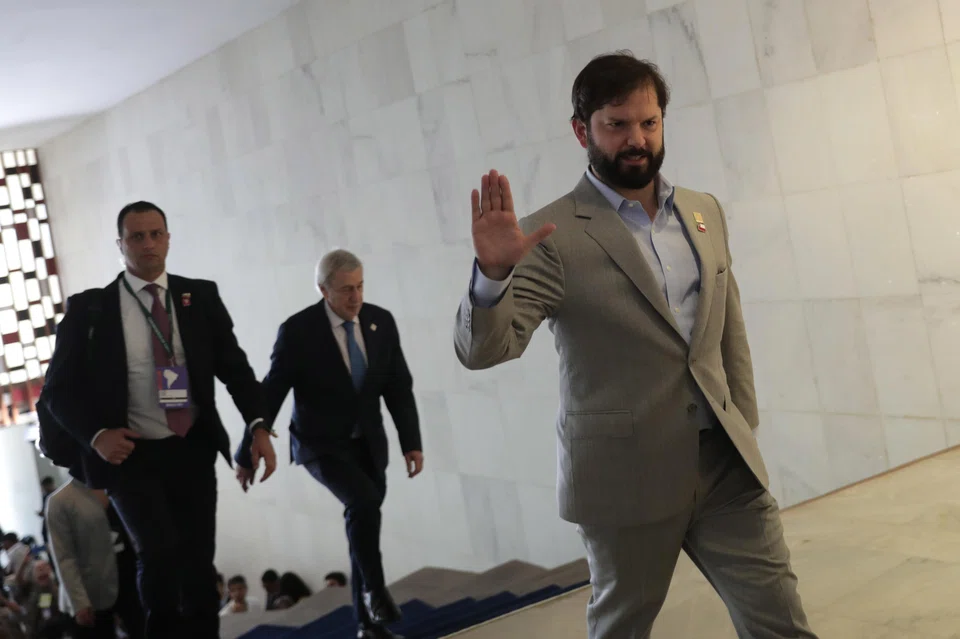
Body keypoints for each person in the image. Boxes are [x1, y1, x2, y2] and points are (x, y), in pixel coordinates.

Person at [453, 52, 819, 639]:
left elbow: (728, 327)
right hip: (627, 478)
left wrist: (743, 423)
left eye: (649, 122)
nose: (637, 139)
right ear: (582, 131)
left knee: (782, 623)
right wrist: (491, 276)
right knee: (622, 630)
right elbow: (486, 350)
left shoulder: (703, 212)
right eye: (617, 124)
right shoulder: (552, 236)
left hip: (725, 466)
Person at [39, 201, 276, 639]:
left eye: (155, 233)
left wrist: (258, 425)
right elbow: (56, 391)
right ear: (120, 244)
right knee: (160, 557)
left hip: (192, 448)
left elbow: (236, 368)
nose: (147, 243)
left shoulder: (200, 296)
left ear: (167, 238)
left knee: (199, 564)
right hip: (131, 455)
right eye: (136, 236)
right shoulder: (91, 309)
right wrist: (97, 435)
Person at [235, 249, 424, 639]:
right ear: (323, 290)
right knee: (363, 504)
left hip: (369, 444)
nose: (355, 298)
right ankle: (374, 591)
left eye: (360, 287)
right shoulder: (298, 331)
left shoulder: (380, 322)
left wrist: (412, 442)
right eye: (345, 290)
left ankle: (367, 627)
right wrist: (246, 450)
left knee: (363, 524)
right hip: (321, 446)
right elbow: (271, 392)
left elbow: (398, 388)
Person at [45, 474, 144, 639]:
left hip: (131, 580)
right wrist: (79, 602)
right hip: (91, 592)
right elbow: (64, 557)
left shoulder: (120, 485)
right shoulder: (61, 501)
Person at [38, 476, 57, 549]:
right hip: (47, 523)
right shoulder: (45, 496)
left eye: (44, 486)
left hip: (55, 523)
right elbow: (44, 510)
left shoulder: (57, 495)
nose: (43, 489)